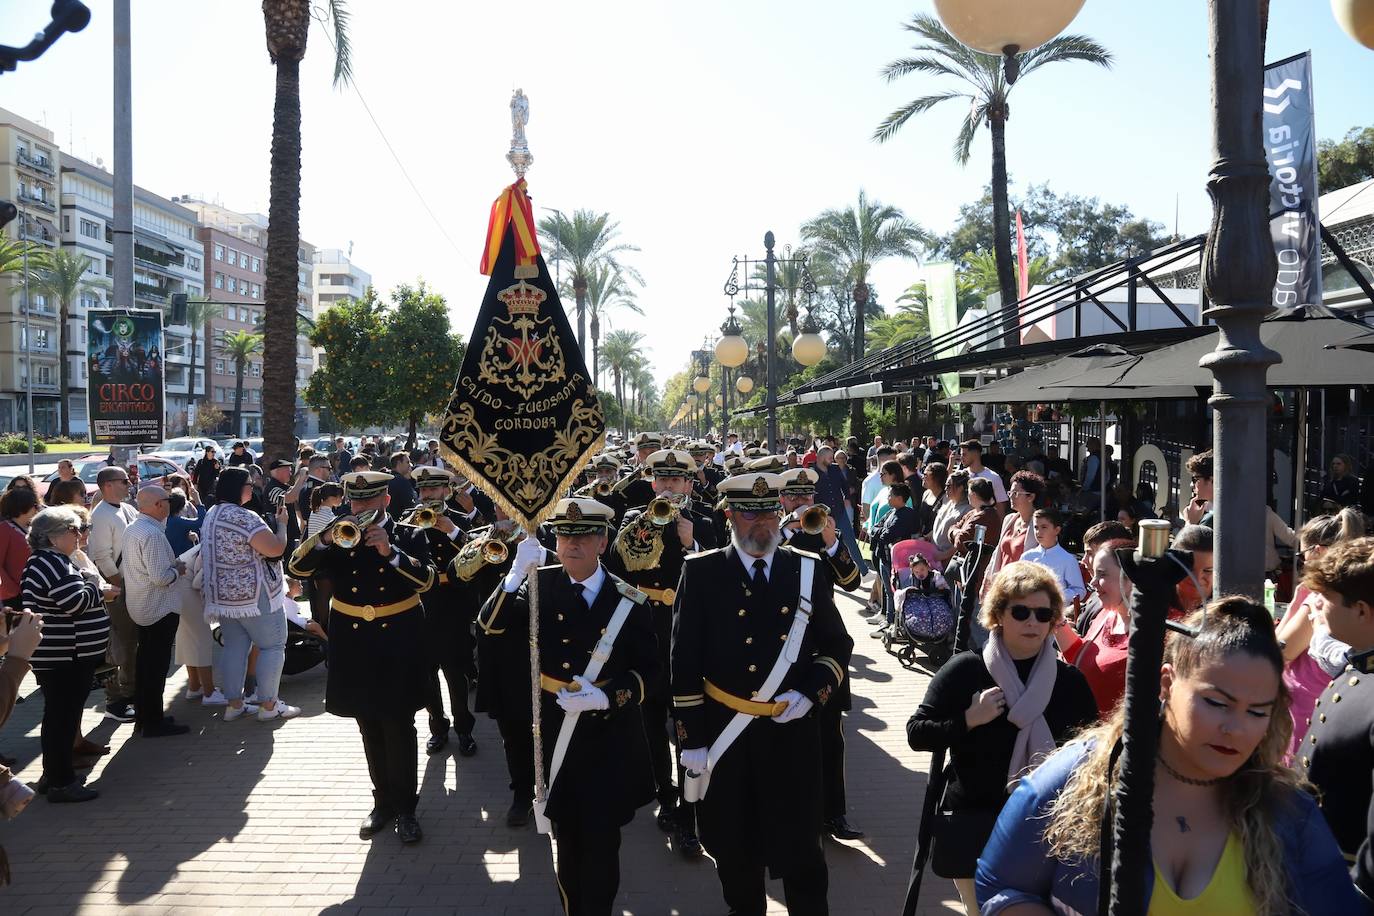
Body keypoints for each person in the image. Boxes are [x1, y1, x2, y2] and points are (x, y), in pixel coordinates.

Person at [976, 598, 1365, 915]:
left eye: (1257, 711)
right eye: (1216, 703)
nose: (1236, 728)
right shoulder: (1080, 773)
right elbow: (1001, 884)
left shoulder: (1287, 812)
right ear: (1166, 683)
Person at [672, 471, 853, 916]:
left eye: (769, 512)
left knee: (804, 859)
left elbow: (836, 645)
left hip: (791, 736)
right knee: (735, 855)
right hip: (726, 737)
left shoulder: (806, 570)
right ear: (730, 516)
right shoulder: (702, 572)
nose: (762, 523)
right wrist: (690, 738)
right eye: (750, 513)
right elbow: (684, 662)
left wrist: (812, 693)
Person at [486, 498, 658, 914]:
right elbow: (490, 626)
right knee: (565, 841)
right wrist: (511, 577)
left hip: (607, 736)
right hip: (555, 732)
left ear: (602, 542)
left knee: (601, 844)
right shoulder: (537, 584)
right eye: (564, 535)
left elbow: (650, 671)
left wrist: (607, 696)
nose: (571, 545)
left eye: (583, 536)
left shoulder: (629, 599)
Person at [907, 561, 1097, 915]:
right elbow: (917, 734)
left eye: (1043, 614)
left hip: (1050, 832)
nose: (1032, 622)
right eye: (1021, 611)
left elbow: (1094, 755)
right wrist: (968, 719)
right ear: (998, 614)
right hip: (977, 824)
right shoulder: (967, 670)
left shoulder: (1070, 682)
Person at [288, 470, 434, 844]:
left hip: (398, 637)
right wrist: (322, 538)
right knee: (367, 721)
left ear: (385, 501)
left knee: (398, 724)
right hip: (354, 639)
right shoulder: (337, 536)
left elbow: (427, 580)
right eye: (354, 501)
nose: (360, 508)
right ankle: (382, 801)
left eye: (368, 501)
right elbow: (297, 568)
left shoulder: (408, 532)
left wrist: (391, 552)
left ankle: (406, 807)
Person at [604, 448, 717, 857]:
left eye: (678, 480)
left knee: (690, 718)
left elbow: (721, 570)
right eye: (662, 479)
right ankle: (666, 797)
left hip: (690, 630)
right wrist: (645, 529)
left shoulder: (704, 519)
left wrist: (692, 542)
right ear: (653, 483)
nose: (669, 486)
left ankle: (692, 807)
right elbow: (616, 567)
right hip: (647, 631)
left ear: (690, 484)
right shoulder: (634, 520)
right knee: (651, 718)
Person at [778, 467, 863, 842]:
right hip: (783, 647)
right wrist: (784, 533)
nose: (800, 505)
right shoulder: (770, 534)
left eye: (806, 498)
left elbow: (853, 580)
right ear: (781, 500)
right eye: (793, 498)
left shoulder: (823, 531)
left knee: (831, 735)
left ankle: (835, 813)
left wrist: (831, 543)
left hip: (822, 641)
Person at [23, 506, 118, 801]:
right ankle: (61, 782)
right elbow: (74, 603)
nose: (79, 535)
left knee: (60, 717)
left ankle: (55, 776)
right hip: (64, 655)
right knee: (62, 718)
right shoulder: (51, 562)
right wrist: (98, 589)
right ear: (53, 538)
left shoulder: (52, 560)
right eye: (73, 530)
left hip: (65, 653)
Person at [1298, 535, 1374, 900]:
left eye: (1326, 598)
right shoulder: (1359, 668)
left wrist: (1358, 892)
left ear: (1361, 610)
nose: (1317, 605)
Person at [472, 510, 555, 826]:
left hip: (549, 652)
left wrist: (544, 554)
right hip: (505, 652)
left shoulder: (553, 536)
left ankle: (553, 793)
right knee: (515, 734)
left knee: (552, 728)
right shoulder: (482, 538)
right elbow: (459, 573)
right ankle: (522, 795)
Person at [203, 467, 298, 723]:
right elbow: (275, 549)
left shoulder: (212, 513)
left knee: (235, 647)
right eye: (250, 482)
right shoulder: (244, 517)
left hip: (225, 596)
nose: (254, 486)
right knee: (272, 645)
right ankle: (269, 705)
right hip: (255, 595)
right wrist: (282, 525)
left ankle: (234, 704)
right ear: (239, 488)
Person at [409, 467, 478, 758]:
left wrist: (449, 530)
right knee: (427, 672)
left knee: (455, 672)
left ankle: (464, 729)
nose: (427, 496)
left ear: (445, 491)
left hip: (453, 605)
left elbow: (477, 554)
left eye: (433, 490)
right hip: (422, 605)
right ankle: (438, 727)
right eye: (423, 491)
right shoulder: (409, 520)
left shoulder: (460, 522)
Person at [121, 486, 190, 738]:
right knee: (155, 668)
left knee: (146, 666)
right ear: (158, 505)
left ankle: (146, 716)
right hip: (158, 609)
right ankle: (152, 721)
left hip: (143, 606)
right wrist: (178, 569)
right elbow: (161, 578)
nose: (170, 505)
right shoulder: (151, 533)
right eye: (167, 501)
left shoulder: (135, 528)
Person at [1059, 538, 1137, 717]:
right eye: (1094, 574)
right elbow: (1079, 659)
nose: (1093, 583)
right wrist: (1057, 621)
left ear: (1130, 577)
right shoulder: (1107, 613)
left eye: (1102, 574)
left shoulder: (1159, 630)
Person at [87, 467, 139, 724]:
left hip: (133, 588)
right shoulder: (101, 515)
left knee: (131, 643)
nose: (130, 484)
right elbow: (101, 556)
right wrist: (119, 586)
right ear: (107, 485)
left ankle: (130, 693)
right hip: (118, 590)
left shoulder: (126, 508)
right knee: (118, 645)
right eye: (124, 481)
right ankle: (116, 699)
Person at [165, 490, 218, 706]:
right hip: (185, 580)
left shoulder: (166, 523)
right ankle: (209, 691)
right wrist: (199, 500)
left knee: (186, 638)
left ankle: (194, 686)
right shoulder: (177, 522)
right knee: (202, 636)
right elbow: (202, 522)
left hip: (175, 582)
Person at [979, 471, 1045, 608]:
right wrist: (986, 582)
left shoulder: (1040, 525)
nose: (1011, 497)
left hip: (1022, 592)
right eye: (1010, 493)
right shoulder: (1009, 519)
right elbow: (997, 553)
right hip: (1000, 587)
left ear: (1031, 497)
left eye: (1016, 493)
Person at [814, 445, 868, 578]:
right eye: (830, 457)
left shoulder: (835, 469)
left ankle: (863, 570)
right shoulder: (812, 473)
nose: (832, 460)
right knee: (825, 544)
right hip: (822, 516)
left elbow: (844, 485)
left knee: (850, 541)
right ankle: (828, 573)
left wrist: (847, 498)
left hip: (839, 511)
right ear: (820, 457)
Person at [1020, 507, 1086, 604]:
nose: (1038, 532)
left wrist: (1053, 595)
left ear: (1057, 530)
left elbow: (1079, 591)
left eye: (1044, 527)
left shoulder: (1067, 559)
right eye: (1036, 527)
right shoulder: (1027, 557)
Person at [0, 488, 39, 611]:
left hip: (33, 591)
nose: (37, 509)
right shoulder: (4, 529)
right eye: (34, 505)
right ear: (23, 506)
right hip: (15, 595)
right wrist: (11, 590)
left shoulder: (32, 527)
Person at [932, 469, 973, 567]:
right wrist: (926, 537)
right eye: (945, 485)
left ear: (960, 488)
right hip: (934, 555)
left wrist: (945, 555)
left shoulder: (968, 510)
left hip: (949, 560)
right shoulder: (948, 503)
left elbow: (963, 539)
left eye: (949, 486)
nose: (945, 489)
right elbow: (939, 526)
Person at [1171, 524, 1215, 613]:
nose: (1197, 578)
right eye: (1189, 568)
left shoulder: (1226, 611)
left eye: (1208, 570)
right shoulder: (1153, 600)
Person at [959, 440, 1007, 517]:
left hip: (986, 523)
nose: (961, 458)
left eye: (964, 454)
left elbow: (1000, 506)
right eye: (961, 455)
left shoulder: (993, 477)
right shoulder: (961, 476)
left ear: (975, 454)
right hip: (963, 524)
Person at [1183, 449, 1214, 527]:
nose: (1191, 485)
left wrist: (1190, 523)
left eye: (1195, 479)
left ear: (1211, 480)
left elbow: (1189, 539)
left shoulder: (1210, 520)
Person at [387, 452, 417, 520]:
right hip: (400, 520)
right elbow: (410, 505)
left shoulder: (387, 478)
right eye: (407, 462)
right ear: (399, 463)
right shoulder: (401, 481)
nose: (410, 465)